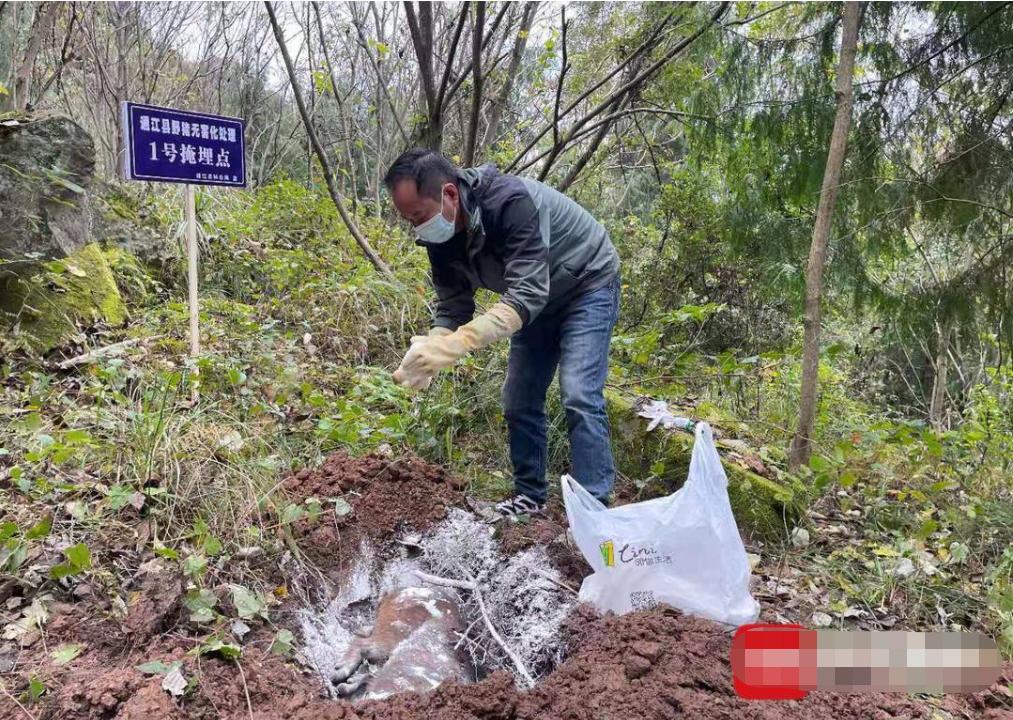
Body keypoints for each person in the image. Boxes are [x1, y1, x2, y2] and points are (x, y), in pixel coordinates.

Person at [385, 149, 620, 519]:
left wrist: (458, 344)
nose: (417, 227)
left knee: (577, 391)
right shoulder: (440, 238)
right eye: (409, 220)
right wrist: (433, 345)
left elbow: (527, 294)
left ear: (449, 193)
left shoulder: (510, 203)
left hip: (586, 284)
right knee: (518, 397)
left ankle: (594, 506)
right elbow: (453, 305)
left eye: (418, 215)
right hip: (533, 301)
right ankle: (530, 497)